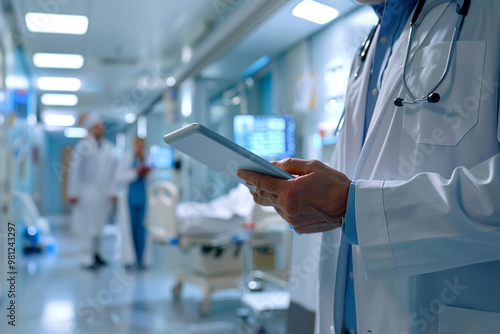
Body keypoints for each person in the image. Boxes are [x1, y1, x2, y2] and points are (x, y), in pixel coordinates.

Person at [238, 0, 500, 333]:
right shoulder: (370, 46)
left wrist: (351, 206)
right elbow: (358, 172)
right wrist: (302, 192)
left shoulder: (488, 13)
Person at [68, 113, 118, 270]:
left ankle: (97, 254)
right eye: (97, 126)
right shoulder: (82, 147)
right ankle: (86, 256)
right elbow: (74, 171)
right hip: (86, 191)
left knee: (100, 225)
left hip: (103, 193)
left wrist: (113, 191)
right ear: (90, 128)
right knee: (87, 225)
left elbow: (113, 174)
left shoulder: (109, 148)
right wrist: (73, 192)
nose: (101, 129)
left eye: (101, 126)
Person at [116, 137, 152, 269]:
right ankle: (129, 260)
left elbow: (150, 179)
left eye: (142, 145)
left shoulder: (146, 159)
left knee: (142, 230)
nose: (140, 147)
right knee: (129, 230)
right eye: (137, 145)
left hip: (142, 198)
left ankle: (142, 260)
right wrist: (134, 173)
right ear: (133, 145)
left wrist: (147, 173)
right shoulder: (127, 158)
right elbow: (119, 177)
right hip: (129, 199)